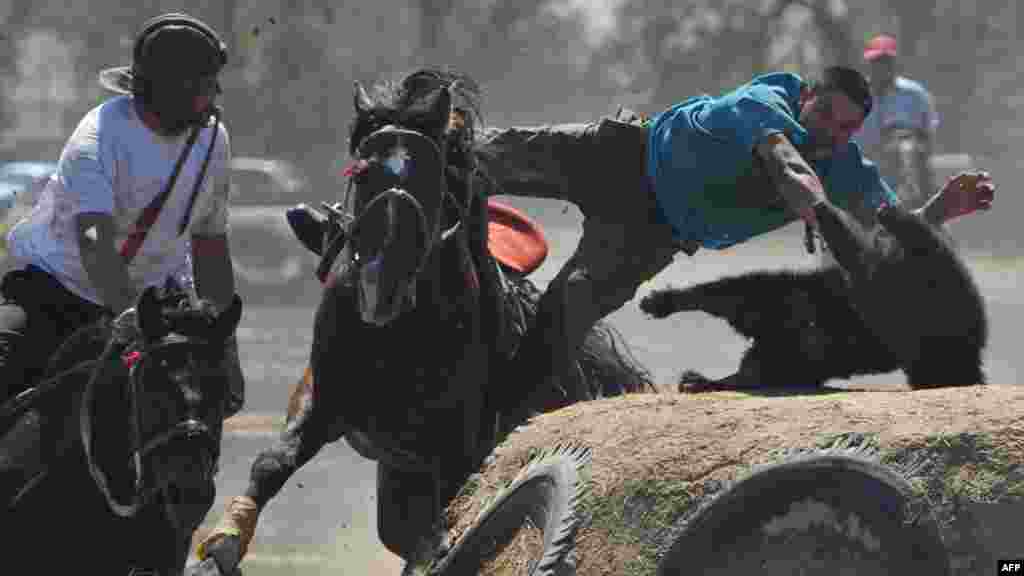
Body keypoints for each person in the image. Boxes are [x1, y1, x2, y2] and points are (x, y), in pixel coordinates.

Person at [289, 66, 993, 412]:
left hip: (654, 233)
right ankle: (347, 225)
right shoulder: (765, 106)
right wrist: (820, 210)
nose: (834, 136)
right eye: (828, 118)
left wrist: (943, 209)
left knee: (563, 319)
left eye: (845, 130)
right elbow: (786, 167)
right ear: (807, 97)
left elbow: (893, 234)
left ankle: (497, 416)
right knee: (469, 153)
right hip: (618, 158)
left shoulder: (845, 165)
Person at [0, 12, 243, 411]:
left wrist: (221, 335)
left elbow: (210, 242)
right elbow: (95, 243)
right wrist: (130, 316)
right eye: (203, 85)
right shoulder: (97, 137)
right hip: (57, 294)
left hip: (161, 304)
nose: (215, 94)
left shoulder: (214, 140)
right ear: (170, 90)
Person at [854, 34, 940, 207]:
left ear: (894, 63)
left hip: (908, 169)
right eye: (877, 61)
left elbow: (928, 133)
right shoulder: (856, 95)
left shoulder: (915, 94)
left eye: (887, 61)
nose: (882, 66)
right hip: (865, 170)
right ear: (869, 63)